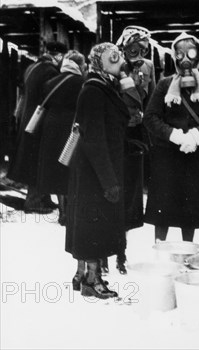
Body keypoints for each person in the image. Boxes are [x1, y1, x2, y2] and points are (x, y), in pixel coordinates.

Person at [143, 32, 199, 243]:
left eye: (190, 52)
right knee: (163, 208)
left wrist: (198, 134)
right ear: (174, 56)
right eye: (179, 53)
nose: (185, 59)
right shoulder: (164, 85)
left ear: (198, 55)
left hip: (195, 156)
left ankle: (187, 253)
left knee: (190, 210)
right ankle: (159, 252)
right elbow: (151, 118)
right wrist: (175, 135)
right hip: (166, 156)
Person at [65, 43, 129, 299]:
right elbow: (94, 139)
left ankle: (82, 274)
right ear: (99, 62)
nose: (119, 59)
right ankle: (93, 280)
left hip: (93, 168)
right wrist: (108, 180)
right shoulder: (94, 90)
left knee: (90, 221)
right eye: (113, 57)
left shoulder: (101, 86)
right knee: (94, 223)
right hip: (96, 170)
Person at [112, 25, 156, 275]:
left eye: (142, 48)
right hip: (116, 135)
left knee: (129, 196)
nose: (137, 52)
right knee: (112, 192)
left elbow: (149, 99)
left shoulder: (147, 68)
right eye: (133, 47)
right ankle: (108, 250)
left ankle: (121, 250)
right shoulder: (113, 63)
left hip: (136, 139)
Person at [8, 41, 68, 213]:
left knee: (33, 160)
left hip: (29, 119)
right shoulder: (50, 71)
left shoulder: (32, 67)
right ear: (57, 55)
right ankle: (35, 200)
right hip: (39, 122)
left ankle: (42, 197)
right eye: (61, 57)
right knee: (37, 161)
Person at [36, 51, 87, 226]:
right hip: (72, 127)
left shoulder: (50, 82)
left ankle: (63, 211)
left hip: (51, 127)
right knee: (71, 168)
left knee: (57, 168)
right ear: (79, 65)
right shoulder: (82, 83)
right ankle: (71, 211)